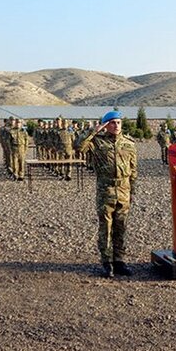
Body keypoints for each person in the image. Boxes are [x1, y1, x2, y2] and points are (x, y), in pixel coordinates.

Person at [76, 110, 137, 279]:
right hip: (106, 190)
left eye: (118, 122)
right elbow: (78, 146)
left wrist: (132, 191)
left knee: (121, 227)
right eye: (112, 123)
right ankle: (106, 262)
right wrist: (94, 130)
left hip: (124, 190)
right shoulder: (97, 142)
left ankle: (119, 261)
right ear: (105, 125)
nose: (116, 126)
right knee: (106, 227)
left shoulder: (129, 143)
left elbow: (133, 170)